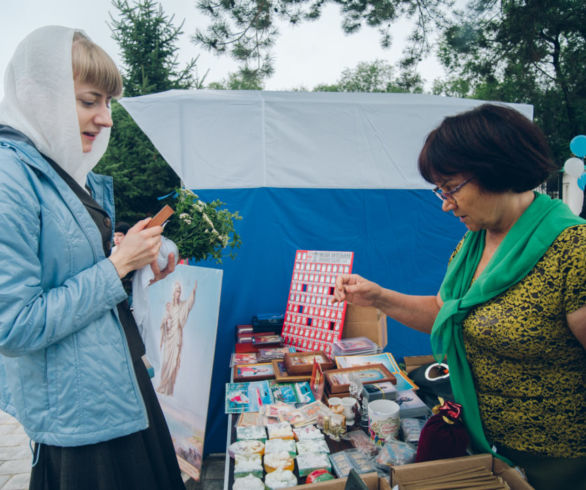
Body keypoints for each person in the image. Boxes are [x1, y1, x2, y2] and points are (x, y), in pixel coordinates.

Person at [333, 104, 586, 490]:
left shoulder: (574, 250)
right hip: (481, 442)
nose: (445, 203)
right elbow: (445, 312)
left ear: (496, 169)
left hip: (552, 460)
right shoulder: (473, 242)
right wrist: (379, 297)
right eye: (441, 189)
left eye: (451, 188)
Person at [0, 26, 183, 489]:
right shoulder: (8, 178)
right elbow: (13, 325)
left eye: (108, 103)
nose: (107, 119)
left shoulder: (61, 172)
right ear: (39, 96)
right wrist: (117, 266)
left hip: (116, 392)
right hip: (80, 423)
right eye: (89, 101)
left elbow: (68, 264)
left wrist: (131, 250)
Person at [157, 281, 197, 396]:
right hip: (169, 337)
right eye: (177, 291)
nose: (178, 293)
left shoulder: (182, 305)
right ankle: (163, 386)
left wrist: (193, 291)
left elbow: (189, 304)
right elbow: (164, 321)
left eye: (180, 291)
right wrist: (165, 322)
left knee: (174, 363)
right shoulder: (169, 306)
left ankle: (169, 389)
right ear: (173, 293)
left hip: (177, 337)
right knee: (166, 362)